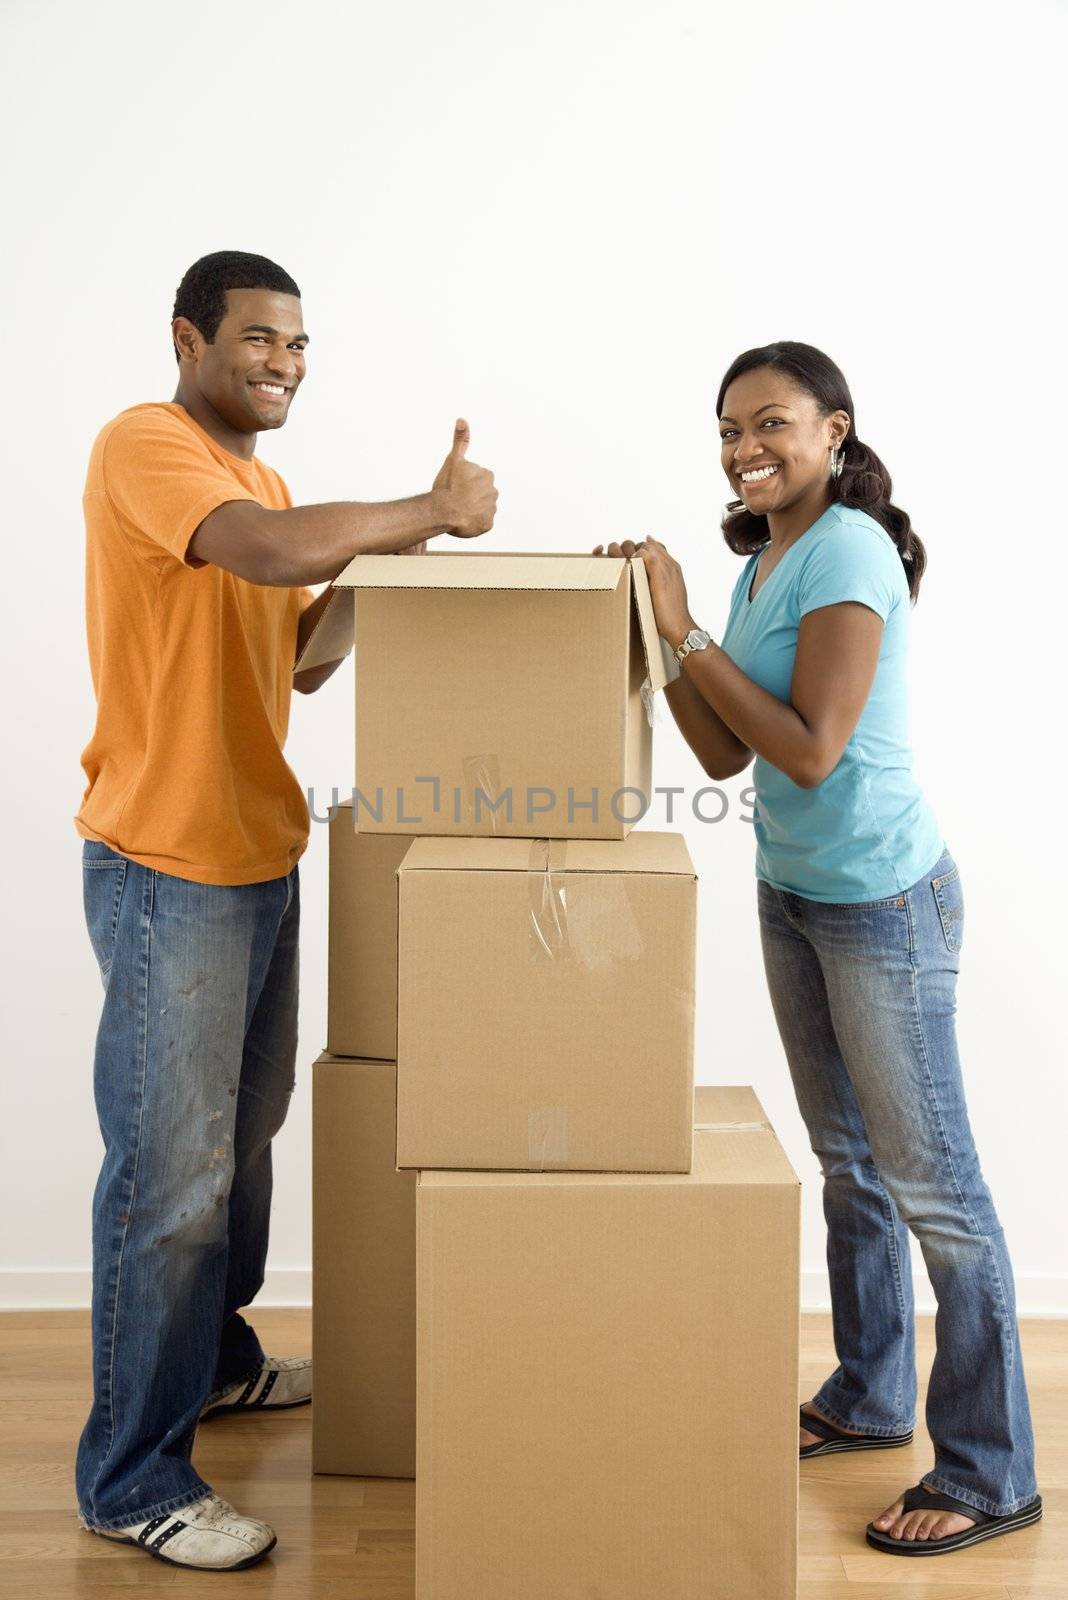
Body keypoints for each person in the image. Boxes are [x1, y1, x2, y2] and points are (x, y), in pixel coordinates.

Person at [74, 250, 498, 1571]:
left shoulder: (253, 477)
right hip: (170, 865)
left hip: (260, 855)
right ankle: (135, 1478)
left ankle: (221, 1359)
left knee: (242, 1146)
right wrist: (421, 511)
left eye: (301, 345)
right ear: (191, 339)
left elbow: (294, 650)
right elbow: (259, 553)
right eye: (260, 339)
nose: (284, 364)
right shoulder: (150, 447)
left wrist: (376, 581)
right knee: (172, 1174)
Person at [595, 340, 1041, 1557]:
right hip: (796, 892)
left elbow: (808, 750)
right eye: (730, 429)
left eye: (773, 424)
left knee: (935, 1189)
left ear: (835, 430)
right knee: (849, 1162)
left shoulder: (849, 548)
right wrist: (660, 625)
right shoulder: (768, 560)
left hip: (884, 906)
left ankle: (993, 1468)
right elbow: (722, 751)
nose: (746, 449)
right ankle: (870, 1395)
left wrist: (686, 629)